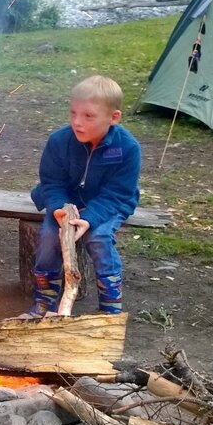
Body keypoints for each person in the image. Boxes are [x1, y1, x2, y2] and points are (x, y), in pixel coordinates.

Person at [28, 75, 141, 316]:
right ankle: (45, 300)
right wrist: (58, 208)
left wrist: (90, 219)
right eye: (73, 113)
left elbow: (117, 193)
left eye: (88, 116)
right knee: (50, 235)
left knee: (98, 237)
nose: (77, 122)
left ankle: (110, 306)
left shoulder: (128, 149)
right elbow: (52, 182)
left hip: (109, 204)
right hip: (66, 202)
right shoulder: (59, 141)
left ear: (114, 118)